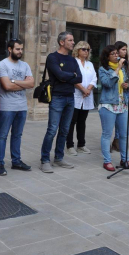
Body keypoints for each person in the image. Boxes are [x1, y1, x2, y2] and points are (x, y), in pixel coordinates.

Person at [40, 32, 82, 173]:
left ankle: (59, 158)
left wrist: (67, 77)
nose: (73, 42)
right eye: (70, 40)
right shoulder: (53, 57)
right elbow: (59, 75)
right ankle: (45, 160)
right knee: (52, 130)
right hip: (57, 97)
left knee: (64, 130)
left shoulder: (72, 60)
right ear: (62, 42)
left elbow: (79, 78)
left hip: (70, 97)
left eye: (73, 40)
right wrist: (71, 76)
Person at [0, 39, 34, 175]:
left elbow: (32, 84)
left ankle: (16, 161)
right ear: (10, 49)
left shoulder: (25, 65)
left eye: (21, 49)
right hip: (6, 106)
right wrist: (23, 82)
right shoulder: (2, 64)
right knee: (2, 136)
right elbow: (6, 86)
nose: (20, 52)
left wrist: (14, 81)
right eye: (17, 49)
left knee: (17, 135)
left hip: (21, 106)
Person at [98, 45, 129, 171]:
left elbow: (128, 85)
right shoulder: (103, 69)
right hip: (108, 105)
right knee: (107, 134)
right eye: (113, 54)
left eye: (117, 53)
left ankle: (125, 159)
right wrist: (119, 67)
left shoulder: (124, 69)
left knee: (124, 134)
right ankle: (107, 161)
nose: (117, 55)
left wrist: (126, 86)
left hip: (122, 104)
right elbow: (108, 83)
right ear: (107, 56)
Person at [66, 41, 97, 156]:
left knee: (82, 121)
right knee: (71, 121)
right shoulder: (73, 62)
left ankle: (81, 145)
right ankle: (69, 145)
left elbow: (94, 78)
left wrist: (88, 89)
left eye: (88, 49)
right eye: (84, 49)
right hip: (76, 94)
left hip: (87, 95)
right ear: (77, 50)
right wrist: (83, 89)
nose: (86, 51)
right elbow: (72, 78)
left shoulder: (90, 64)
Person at [111, 41, 129, 152]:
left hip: (124, 95)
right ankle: (112, 142)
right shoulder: (114, 63)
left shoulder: (125, 63)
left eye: (126, 49)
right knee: (111, 122)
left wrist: (127, 84)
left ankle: (117, 141)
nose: (125, 51)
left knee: (122, 122)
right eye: (123, 49)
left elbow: (126, 77)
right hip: (113, 96)